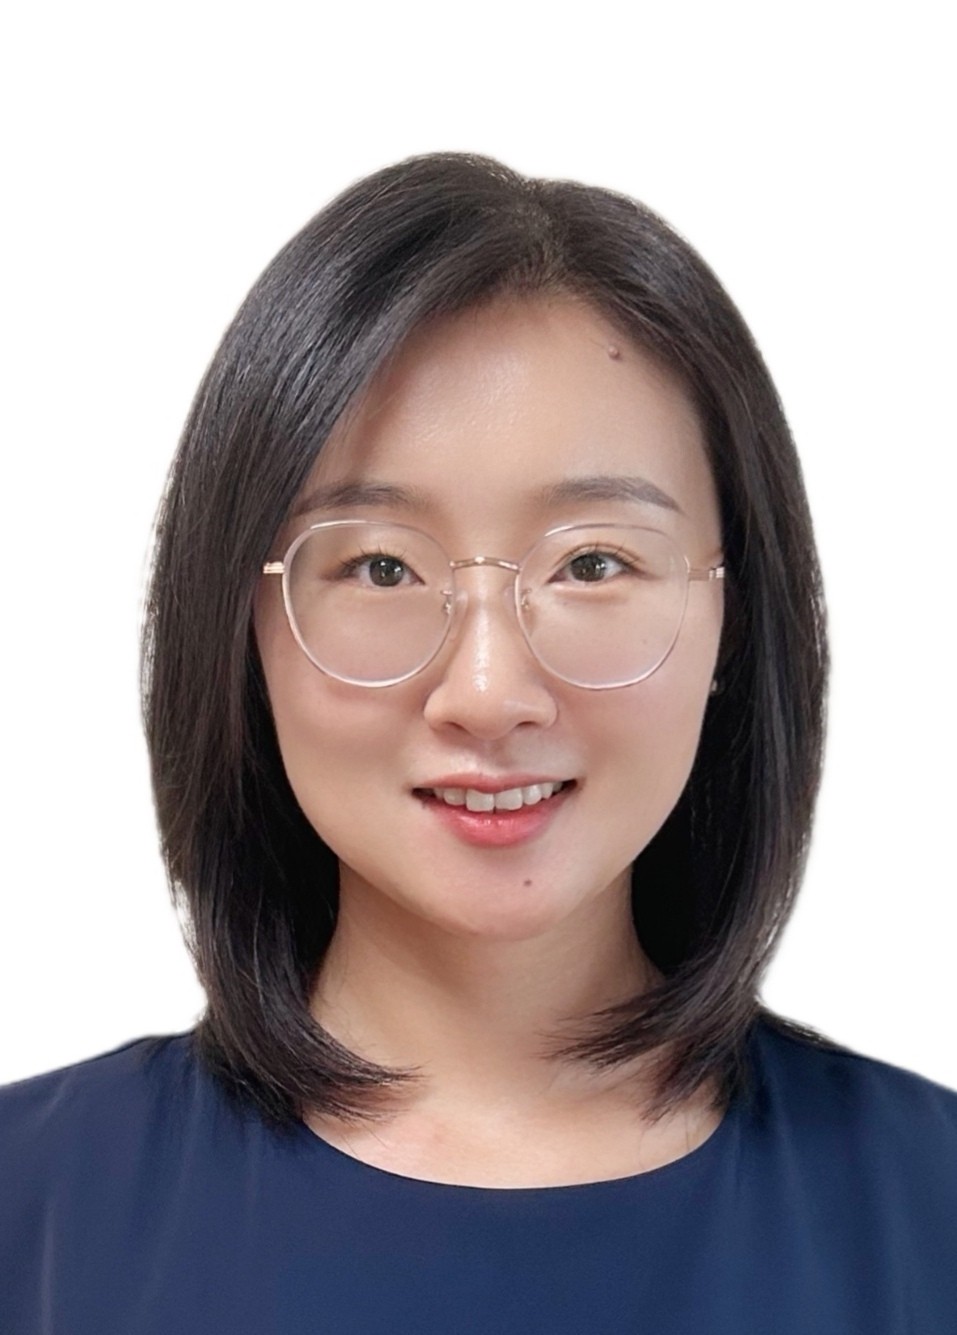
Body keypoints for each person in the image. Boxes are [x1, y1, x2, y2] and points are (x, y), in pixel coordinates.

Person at [1, 152, 954, 1334]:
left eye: (594, 563)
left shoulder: (931, 1210)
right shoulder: (30, 1209)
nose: (490, 693)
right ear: (241, 627)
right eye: (379, 567)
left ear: (734, 619)